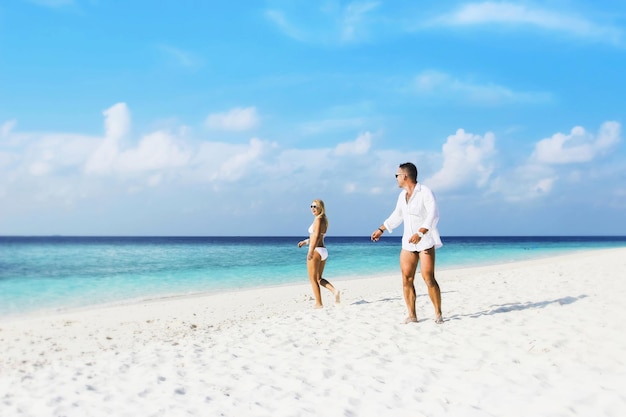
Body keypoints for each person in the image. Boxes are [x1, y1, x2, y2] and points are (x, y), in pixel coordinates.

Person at [370, 162, 443, 324]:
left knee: (428, 278)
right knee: (406, 279)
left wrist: (420, 232)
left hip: (425, 240)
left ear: (405, 176)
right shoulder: (402, 196)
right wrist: (381, 229)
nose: (396, 178)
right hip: (408, 243)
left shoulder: (425, 192)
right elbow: (397, 215)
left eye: (397, 175)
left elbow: (434, 214)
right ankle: (412, 315)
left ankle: (438, 313)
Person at [298, 199, 341, 308]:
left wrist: (311, 251)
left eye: (315, 206)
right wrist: (305, 241)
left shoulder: (318, 220)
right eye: (311, 206)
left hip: (316, 250)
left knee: (313, 279)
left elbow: (316, 236)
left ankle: (319, 304)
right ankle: (334, 291)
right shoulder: (323, 220)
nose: (313, 208)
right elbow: (318, 236)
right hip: (323, 251)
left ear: (320, 208)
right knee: (318, 278)